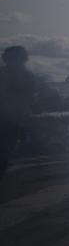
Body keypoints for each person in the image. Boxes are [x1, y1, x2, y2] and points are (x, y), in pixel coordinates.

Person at [0, 46, 37, 179]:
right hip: (11, 118)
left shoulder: (27, 77)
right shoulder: (27, 76)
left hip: (13, 119)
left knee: (5, 150)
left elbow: (29, 99)